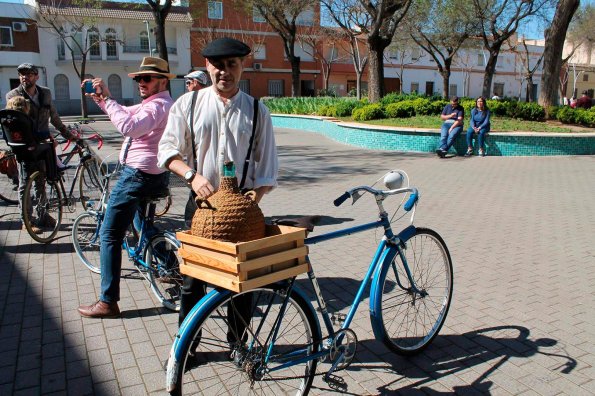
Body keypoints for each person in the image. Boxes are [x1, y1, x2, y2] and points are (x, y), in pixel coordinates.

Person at [157, 37, 278, 332]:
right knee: (191, 283)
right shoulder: (188, 104)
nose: (225, 72)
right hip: (200, 206)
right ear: (207, 66)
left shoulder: (257, 110)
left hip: (244, 210)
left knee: (242, 283)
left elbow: (269, 166)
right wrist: (192, 177)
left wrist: (252, 201)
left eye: (232, 65)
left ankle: (239, 345)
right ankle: (186, 349)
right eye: (218, 65)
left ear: (242, 66)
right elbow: (167, 151)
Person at [77, 57, 175, 318]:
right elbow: (127, 111)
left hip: (137, 176)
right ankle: (170, 267)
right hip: (154, 175)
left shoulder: (157, 107)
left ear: (163, 80)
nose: (141, 83)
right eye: (138, 79)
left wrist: (107, 101)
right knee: (143, 224)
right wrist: (102, 99)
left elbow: (129, 127)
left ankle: (108, 302)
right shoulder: (157, 104)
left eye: (147, 78)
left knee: (110, 235)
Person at [5, 63, 76, 233]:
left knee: (41, 182)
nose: (24, 77)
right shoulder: (13, 95)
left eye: (28, 74)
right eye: (21, 74)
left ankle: (43, 215)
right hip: (25, 146)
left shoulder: (45, 93)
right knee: (24, 184)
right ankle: (27, 221)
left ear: (36, 76)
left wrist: (69, 135)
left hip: (43, 145)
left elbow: (54, 117)